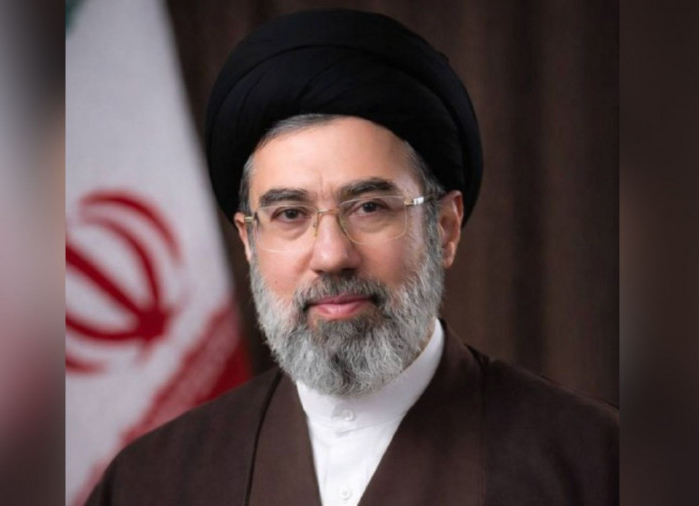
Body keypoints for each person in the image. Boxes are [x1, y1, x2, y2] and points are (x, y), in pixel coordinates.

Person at [87, 9, 617, 506]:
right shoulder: (152, 482)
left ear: (444, 227)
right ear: (248, 240)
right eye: (290, 214)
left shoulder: (596, 464)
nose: (331, 255)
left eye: (369, 207)